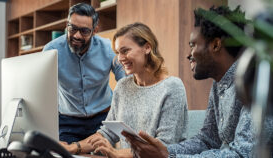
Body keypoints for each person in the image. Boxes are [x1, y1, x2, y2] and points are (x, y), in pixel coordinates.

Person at [123, 6, 255, 158]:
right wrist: (166, 151)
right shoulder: (219, 84)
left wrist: (168, 157)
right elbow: (207, 141)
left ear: (216, 45)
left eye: (193, 45)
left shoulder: (254, 81)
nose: (189, 54)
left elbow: (243, 154)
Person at [60, 22, 188, 157]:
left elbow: (163, 148)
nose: (120, 58)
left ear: (147, 47)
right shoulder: (122, 86)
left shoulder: (172, 87)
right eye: (117, 52)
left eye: (125, 51)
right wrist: (74, 147)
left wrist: (116, 153)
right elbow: (107, 133)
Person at [42, 3, 126, 144]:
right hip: (67, 121)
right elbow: (41, 88)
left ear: (94, 30)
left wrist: (120, 112)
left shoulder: (108, 48)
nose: (76, 35)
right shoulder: (51, 51)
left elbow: (125, 82)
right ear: (66, 25)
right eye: (72, 29)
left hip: (103, 120)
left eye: (84, 31)